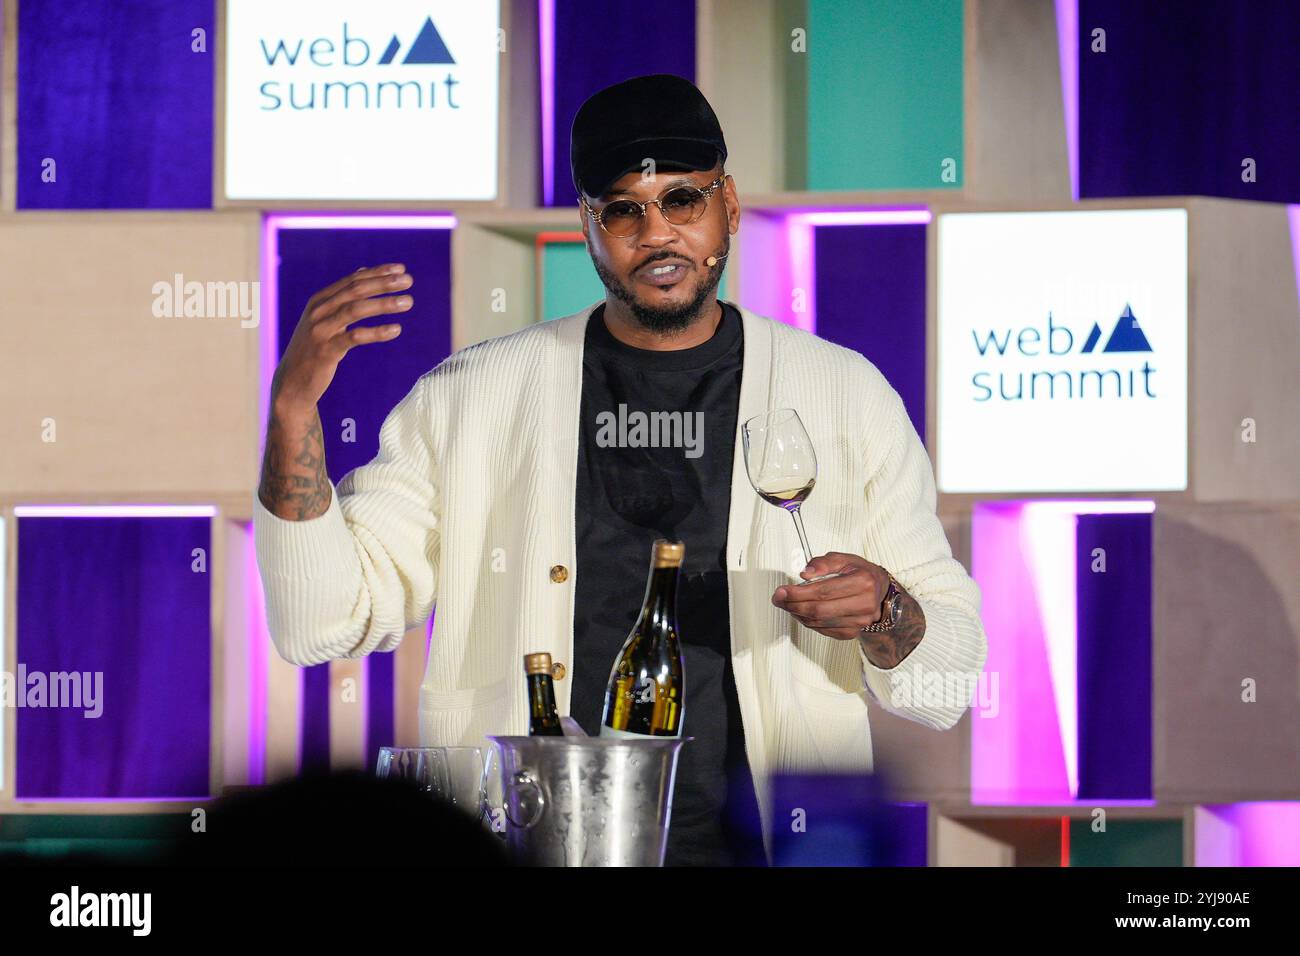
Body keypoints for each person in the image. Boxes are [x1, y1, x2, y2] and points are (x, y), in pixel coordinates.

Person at [254, 73, 988, 867]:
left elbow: (942, 682)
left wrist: (884, 612)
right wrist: (293, 412)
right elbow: (321, 621)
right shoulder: (470, 396)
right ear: (588, 226)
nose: (658, 233)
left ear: (729, 206)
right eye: (624, 210)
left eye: (683, 201)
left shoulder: (842, 393)